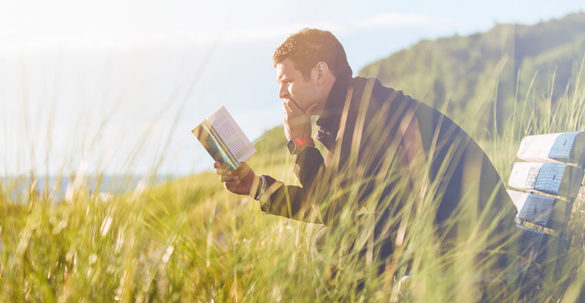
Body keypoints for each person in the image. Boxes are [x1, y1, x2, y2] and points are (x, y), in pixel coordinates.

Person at [215, 28, 517, 271]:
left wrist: (303, 144)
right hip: (451, 228)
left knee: (331, 242)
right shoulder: (349, 108)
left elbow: (333, 211)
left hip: (478, 239)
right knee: (333, 239)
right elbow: (332, 202)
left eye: (287, 81)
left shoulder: (364, 113)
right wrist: (255, 186)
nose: (280, 93)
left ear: (320, 73)